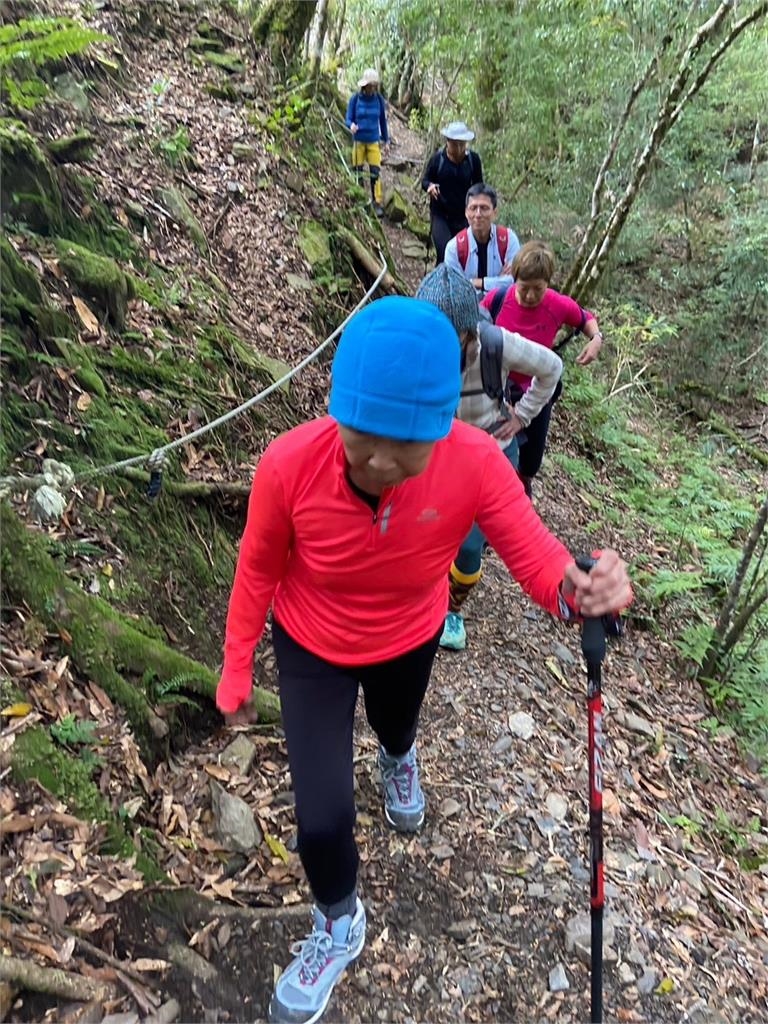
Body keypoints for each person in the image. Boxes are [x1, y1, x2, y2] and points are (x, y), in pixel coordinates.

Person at [215, 296, 631, 1024]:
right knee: (318, 819)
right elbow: (255, 570)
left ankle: (398, 756)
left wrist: (584, 593)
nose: (378, 460)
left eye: (403, 442)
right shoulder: (289, 464)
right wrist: (236, 667)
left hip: (409, 634)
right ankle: (339, 923)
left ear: (442, 426)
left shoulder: (473, 462)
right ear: (336, 409)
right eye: (362, 435)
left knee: (395, 725)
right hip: (311, 642)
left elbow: (537, 559)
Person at [415, 264, 563, 650]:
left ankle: (452, 610)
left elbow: (552, 368)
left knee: (467, 545)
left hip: (490, 457)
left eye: (452, 339)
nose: (442, 350)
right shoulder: (416, 346)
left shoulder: (495, 344)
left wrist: (522, 416)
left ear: (469, 331)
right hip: (437, 455)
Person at [482, 240, 604, 497]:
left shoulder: (557, 305)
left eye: (537, 289)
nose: (529, 296)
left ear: (547, 283)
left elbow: (585, 319)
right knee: (492, 446)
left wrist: (596, 339)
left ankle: (522, 489)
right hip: (497, 385)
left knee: (531, 459)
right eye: (524, 288)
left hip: (537, 388)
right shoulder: (497, 300)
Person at [421, 121, 483, 263]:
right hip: (440, 214)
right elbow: (425, 180)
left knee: (464, 255)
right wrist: (430, 186)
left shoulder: (473, 160)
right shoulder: (438, 159)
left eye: (462, 143)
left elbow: (479, 186)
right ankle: (440, 284)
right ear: (448, 142)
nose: (459, 148)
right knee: (444, 252)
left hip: (464, 216)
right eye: (455, 143)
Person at [444, 183, 520, 296]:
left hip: (502, 307)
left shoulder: (508, 239)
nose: (478, 214)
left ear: (495, 212)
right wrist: (498, 280)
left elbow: (515, 282)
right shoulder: (454, 247)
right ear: (466, 212)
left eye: (484, 208)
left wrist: (478, 283)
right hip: (466, 309)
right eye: (473, 208)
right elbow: (454, 289)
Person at [345, 67, 389, 217]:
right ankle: (360, 198)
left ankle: (376, 202)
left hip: (373, 141)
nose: (373, 88)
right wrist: (351, 125)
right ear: (365, 86)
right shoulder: (355, 99)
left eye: (374, 86)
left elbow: (382, 120)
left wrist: (386, 139)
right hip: (358, 141)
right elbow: (348, 118)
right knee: (357, 170)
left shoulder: (379, 100)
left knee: (375, 172)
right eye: (371, 85)